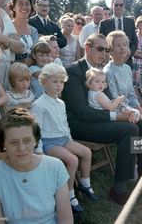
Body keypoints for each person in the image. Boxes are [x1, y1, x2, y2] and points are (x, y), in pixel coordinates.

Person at [61, 33, 142, 206]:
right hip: (79, 125)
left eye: (106, 50)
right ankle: (119, 189)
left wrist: (131, 112)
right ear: (87, 48)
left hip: (100, 119)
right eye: (100, 49)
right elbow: (82, 112)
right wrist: (117, 116)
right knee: (129, 129)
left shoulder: (100, 73)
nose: (103, 53)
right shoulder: (73, 71)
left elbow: (110, 102)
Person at [31, 63, 97, 213]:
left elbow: (64, 123)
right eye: (55, 82)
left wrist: (70, 139)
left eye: (61, 82)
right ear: (44, 82)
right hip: (49, 142)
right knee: (72, 160)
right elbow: (36, 130)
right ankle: (69, 194)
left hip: (63, 139)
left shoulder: (60, 103)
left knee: (86, 152)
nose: (59, 85)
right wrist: (39, 150)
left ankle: (84, 184)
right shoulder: (39, 104)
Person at [0, 108, 73, 223]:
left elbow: (66, 219)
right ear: (3, 143)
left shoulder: (55, 167)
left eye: (27, 140)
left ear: (35, 140)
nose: (21, 148)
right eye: (14, 142)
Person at [104, 30, 142, 138]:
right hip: (120, 112)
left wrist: (140, 110)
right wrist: (137, 112)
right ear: (110, 50)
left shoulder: (127, 68)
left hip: (132, 109)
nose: (123, 48)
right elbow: (115, 100)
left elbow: (131, 95)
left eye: (125, 44)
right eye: (118, 45)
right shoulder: (108, 71)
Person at [0, 0, 26, 90]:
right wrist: (10, 42)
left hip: (9, 72)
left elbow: (21, 47)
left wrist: (2, 39)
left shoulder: (5, 16)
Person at [99, 0, 138, 67]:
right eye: (116, 5)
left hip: (127, 61)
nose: (118, 7)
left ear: (124, 6)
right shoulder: (104, 24)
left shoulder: (130, 22)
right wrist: (110, 55)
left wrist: (128, 53)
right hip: (110, 61)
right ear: (112, 6)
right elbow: (102, 43)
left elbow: (135, 41)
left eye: (121, 5)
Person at [9, 0, 39, 65]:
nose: (24, 7)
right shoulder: (7, 27)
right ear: (13, 7)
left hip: (31, 73)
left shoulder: (34, 30)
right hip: (10, 71)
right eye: (20, 3)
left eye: (27, 3)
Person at [132, 15, 142, 86]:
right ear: (137, 25)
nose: (141, 27)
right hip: (134, 61)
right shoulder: (134, 35)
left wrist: (141, 54)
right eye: (139, 25)